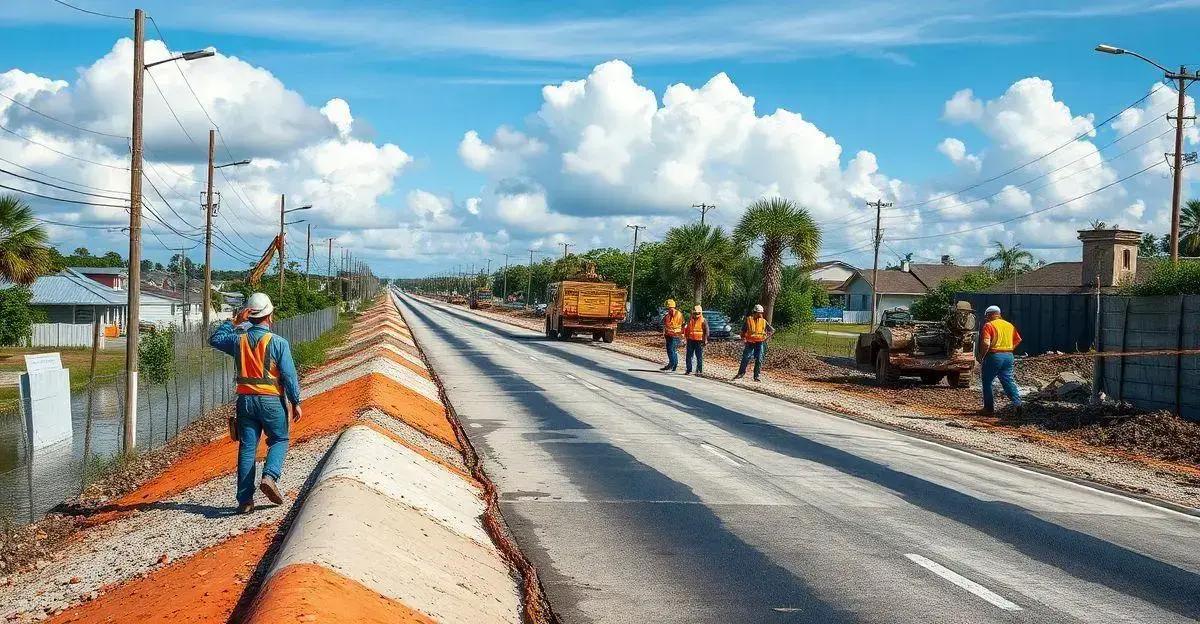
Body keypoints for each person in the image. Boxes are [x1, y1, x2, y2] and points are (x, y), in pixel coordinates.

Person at [208, 292, 302, 513]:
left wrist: (234, 322)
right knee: (279, 438)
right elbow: (288, 375)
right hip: (271, 401)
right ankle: (269, 476)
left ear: (249, 316)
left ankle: (245, 501)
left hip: (245, 402)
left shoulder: (237, 340)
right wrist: (296, 401)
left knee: (248, 448)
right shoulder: (279, 343)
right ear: (270, 315)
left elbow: (215, 339)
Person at [979, 305, 1022, 414]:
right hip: (1008, 356)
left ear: (990, 315)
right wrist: (1008, 349)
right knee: (1008, 380)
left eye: (986, 316)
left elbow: (986, 343)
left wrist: (982, 356)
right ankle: (1017, 403)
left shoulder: (988, 325)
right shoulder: (1009, 325)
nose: (986, 318)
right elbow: (1018, 340)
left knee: (987, 382)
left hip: (994, 356)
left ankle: (988, 408)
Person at [733, 304, 774, 382]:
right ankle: (740, 374)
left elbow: (772, 330)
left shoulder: (763, 321)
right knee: (746, 358)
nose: (761, 314)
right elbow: (742, 332)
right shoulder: (748, 320)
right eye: (759, 313)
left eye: (761, 313)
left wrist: (766, 338)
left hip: (760, 343)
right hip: (750, 343)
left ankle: (756, 376)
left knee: (759, 359)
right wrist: (743, 339)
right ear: (755, 312)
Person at [660, 299, 685, 372]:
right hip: (668, 335)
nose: (667, 310)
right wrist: (664, 332)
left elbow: (683, 325)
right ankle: (674, 365)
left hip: (675, 335)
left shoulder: (679, 314)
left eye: (668, 308)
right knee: (672, 350)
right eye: (667, 309)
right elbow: (665, 324)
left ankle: (671, 364)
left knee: (671, 350)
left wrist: (682, 335)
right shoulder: (667, 315)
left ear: (672, 307)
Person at [683, 305, 709, 376]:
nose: (696, 314)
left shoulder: (703, 320)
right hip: (690, 340)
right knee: (689, 356)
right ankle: (689, 370)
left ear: (700, 313)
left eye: (697, 313)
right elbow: (687, 329)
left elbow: (707, 331)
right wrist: (686, 338)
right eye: (695, 313)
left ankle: (699, 371)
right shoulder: (690, 319)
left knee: (699, 356)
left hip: (699, 341)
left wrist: (705, 340)